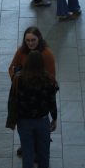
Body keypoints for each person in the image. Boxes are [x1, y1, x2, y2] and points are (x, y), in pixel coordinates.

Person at [6, 50, 58, 168]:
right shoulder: (48, 79)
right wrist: (54, 118)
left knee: (28, 153)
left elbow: (13, 100)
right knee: (44, 151)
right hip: (42, 120)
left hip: (25, 121)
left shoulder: (19, 78)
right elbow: (52, 101)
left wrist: (12, 119)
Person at [8, 27, 56, 157]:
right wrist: (16, 80)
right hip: (24, 95)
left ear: (39, 39)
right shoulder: (21, 51)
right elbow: (12, 67)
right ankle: (27, 145)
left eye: (33, 40)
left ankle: (34, 147)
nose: (30, 43)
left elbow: (52, 78)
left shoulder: (47, 54)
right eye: (27, 40)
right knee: (24, 126)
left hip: (39, 97)